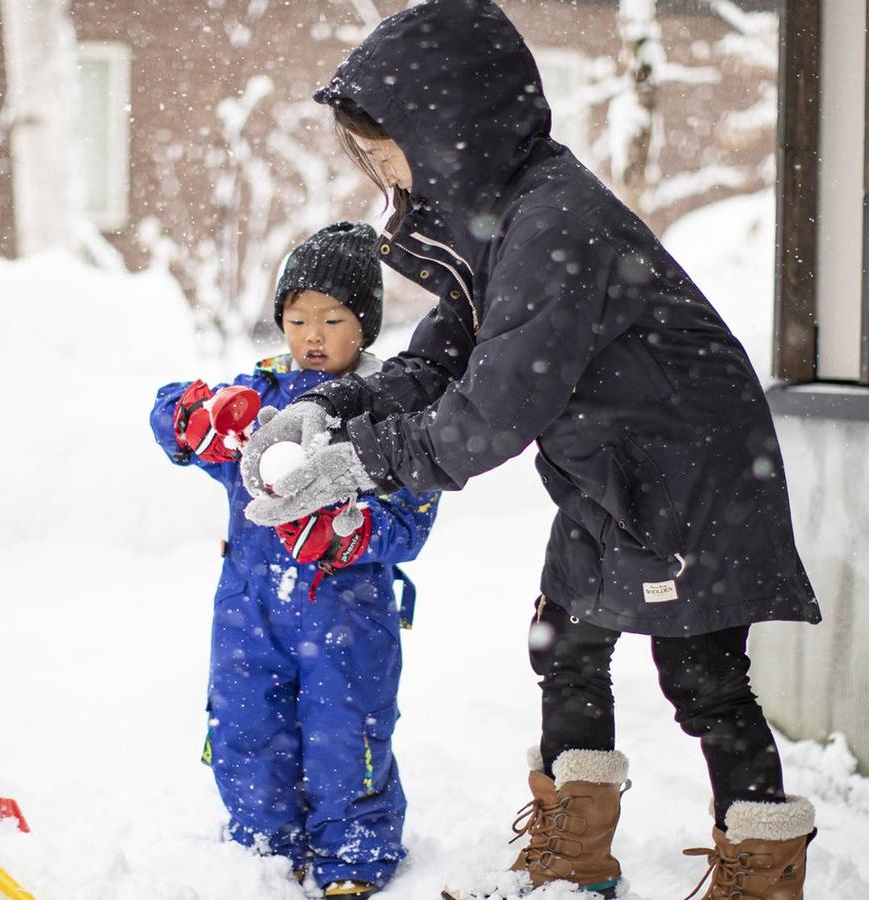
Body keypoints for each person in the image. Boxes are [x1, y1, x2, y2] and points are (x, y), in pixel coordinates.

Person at [240, 3, 822, 899]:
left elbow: (499, 403)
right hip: (612, 473)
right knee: (566, 646)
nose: (378, 166)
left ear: (448, 126)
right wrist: (338, 400)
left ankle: (763, 873)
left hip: (691, 474)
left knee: (703, 677)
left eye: (382, 145)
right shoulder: (503, 215)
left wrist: (362, 464)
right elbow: (447, 348)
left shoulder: (554, 221)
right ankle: (573, 858)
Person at [150, 222, 439, 898]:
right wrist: (195, 417)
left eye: (332, 318)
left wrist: (349, 533)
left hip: (346, 618)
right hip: (249, 612)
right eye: (297, 316)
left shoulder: (389, 409)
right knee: (247, 733)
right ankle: (265, 854)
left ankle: (353, 858)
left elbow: (409, 522)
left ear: (363, 326)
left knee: (345, 738)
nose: (312, 334)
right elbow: (167, 415)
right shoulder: (259, 399)